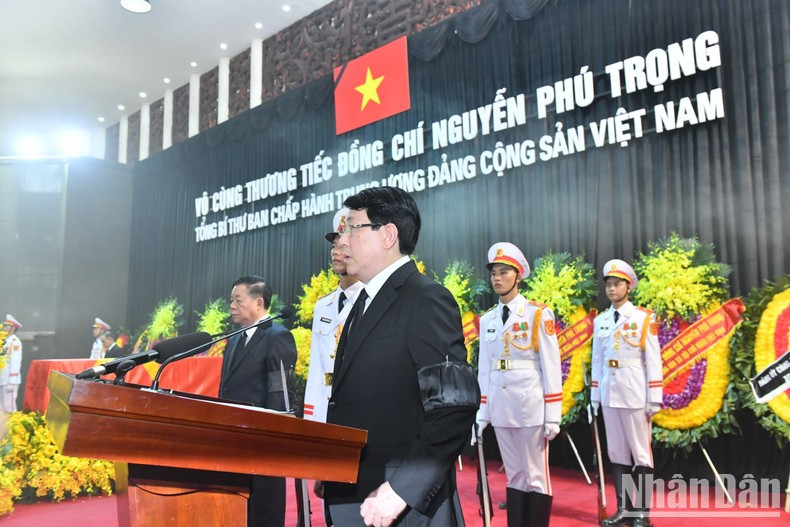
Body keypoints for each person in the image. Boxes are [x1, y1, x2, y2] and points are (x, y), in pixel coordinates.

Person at [324, 186, 479, 527]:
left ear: (388, 235)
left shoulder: (425, 298)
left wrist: (402, 490)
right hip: (354, 490)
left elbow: (454, 407)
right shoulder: (362, 304)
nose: (342, 238)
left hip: (400, 505)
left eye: (351, 227)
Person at [474, 242, 562, 527]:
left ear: (518, 276)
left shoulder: (537, 314)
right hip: (500, 409)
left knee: (536, 477)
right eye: (493, 274)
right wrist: (482, 413)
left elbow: (551, 366)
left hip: (530, 407)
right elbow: (484, 370)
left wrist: (553, 414)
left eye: (504, 272)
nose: (497, 278)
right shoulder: (487, 320)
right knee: (514, 476)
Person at [219, 275, 297, 527]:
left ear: (259, 302)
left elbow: (280, 392)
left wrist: (274, 439)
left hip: (263, 442)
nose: (231, 306)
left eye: (238, 300)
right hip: (233, 441)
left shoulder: (277, 336)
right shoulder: (233, 340)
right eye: (230, 300)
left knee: (263, 511)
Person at [590, 259, 662, 527]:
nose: (611, 289)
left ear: (628, 286)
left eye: (617, 284)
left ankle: (642, 511)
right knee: (616, 453)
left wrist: (654, 396)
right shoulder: (601, 321)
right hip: (609, 391)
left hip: (634, 392)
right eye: (608, 284)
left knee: (641, 454)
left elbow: (653, 359)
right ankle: (624, 508)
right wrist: (595, 395)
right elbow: (597, 359)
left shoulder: (643, 318)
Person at [304, 208, 364, 523]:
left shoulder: (372, 301)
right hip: (327, 417)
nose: (335, 251)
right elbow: (317, 371)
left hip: (361, 416)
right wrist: (312, 428)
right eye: (333, 244)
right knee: (331, 502)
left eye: (343, 243)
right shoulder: (323, 306)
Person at [1, 314, 23, 413]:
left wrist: (12, 381)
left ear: (13, 328)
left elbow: (15, 362)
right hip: (2, 379)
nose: (4, 328)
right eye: (4, 325)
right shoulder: (4, 341)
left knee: (9, 407)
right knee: (2, 408)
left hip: (9, 380)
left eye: (7, 326)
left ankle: (12, 427)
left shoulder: (14, 342)